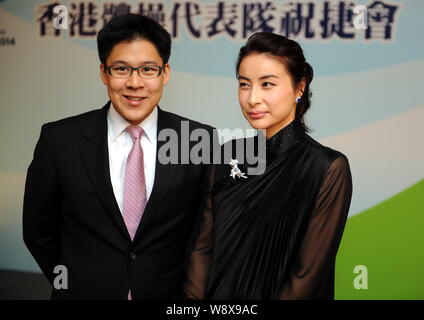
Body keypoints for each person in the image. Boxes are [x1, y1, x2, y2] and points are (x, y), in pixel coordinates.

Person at [23, 13, 213, 300]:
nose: (135, 83)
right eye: (121, 68)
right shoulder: (59, 140)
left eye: (148, 69)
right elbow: (38, 230)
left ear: (166, 73)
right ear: (104, 72)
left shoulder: (197, 140)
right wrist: (74, 284)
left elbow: (204, 233)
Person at [184, 32, 353, 300]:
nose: (252, 98)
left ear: (299, 88)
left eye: (267, 84)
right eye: (244, 84)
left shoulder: (327, 167)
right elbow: (201, 251)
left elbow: (307, 276)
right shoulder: (226, 156)